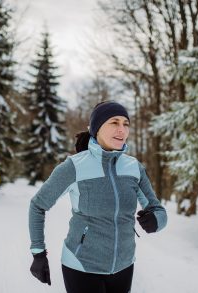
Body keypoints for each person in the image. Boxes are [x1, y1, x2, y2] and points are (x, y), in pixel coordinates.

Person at [28, 101, 167, 293]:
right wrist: (38, 253)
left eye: (126, 124)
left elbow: (157, 209)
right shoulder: (73, 167)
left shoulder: (133, 167)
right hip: (82, 266)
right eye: (114, 122)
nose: (121, 130)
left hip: (124, 265)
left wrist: (156, 220)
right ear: (97, 128)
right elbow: (38, 205)